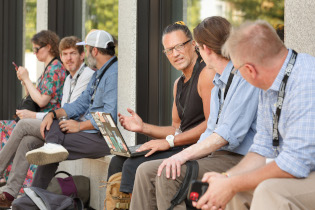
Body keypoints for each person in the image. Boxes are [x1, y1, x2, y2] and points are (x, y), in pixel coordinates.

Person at [130, 16, 260, 210]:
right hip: (216, 154)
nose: (175, 54)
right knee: (144, 171)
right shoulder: (218, 81)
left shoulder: (243, 76)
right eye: (169, 50)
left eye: (195, 47)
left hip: (240, 158)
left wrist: (183, 155)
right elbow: (210, 130)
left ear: (203, 48)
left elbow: (225, 134)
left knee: (168, 173)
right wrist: (185, 153)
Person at [193, 21, 315, 210]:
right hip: (303, 170)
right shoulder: (270, 86)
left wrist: (233, 183)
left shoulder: (306, 79)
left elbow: (295, 162)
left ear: (250, 69)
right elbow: (262, 148)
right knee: (238, 189)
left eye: (237, 69)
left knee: (270, 191)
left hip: (305, 169)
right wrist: (227, 179)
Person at [106, 21, 215, 195]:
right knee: (118, 161)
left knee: (133, 165)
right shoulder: (178, 83)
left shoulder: (206, 74)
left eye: (179, 46)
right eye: (169, 50)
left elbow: (211, 125)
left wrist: (169, 142)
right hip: (180, 145)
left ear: (193, 44)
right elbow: (176, 129)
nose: (175, 54)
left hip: (197, 150)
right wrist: (143, 128)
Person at [0, 35, 94, 208]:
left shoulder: (87, 76)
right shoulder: (68, 79)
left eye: (73, 53)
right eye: (65, 54)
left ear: (82, 55)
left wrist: (33, 116)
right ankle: (9, 194)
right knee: (28, 141)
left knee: (22, 125)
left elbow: (67, 112)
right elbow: (61, 112)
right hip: (60, 126)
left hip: (76, 130)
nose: (68, 58)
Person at [25, 29, 117, 191]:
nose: (87, 53)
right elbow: (81, 103)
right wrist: (53, 114)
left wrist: (80, 126)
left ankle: (32, 197)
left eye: (87, 49)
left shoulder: (113, 74)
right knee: (53, 125)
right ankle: (33, 196)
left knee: (54, 146)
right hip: (90, 135)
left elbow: (109, 117)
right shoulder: (99, 73)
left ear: (94, 51)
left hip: (105, 139)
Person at [15, 30, 67, 119]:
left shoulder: (54, 68)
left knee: (4, 128)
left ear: (48, 47)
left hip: (49, 120)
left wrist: (27, 79)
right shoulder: (51, 67)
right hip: (42, 118)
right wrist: (25, 81)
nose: (34, 52)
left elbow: (42, 101)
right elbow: (34, 97)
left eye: (36, 49)